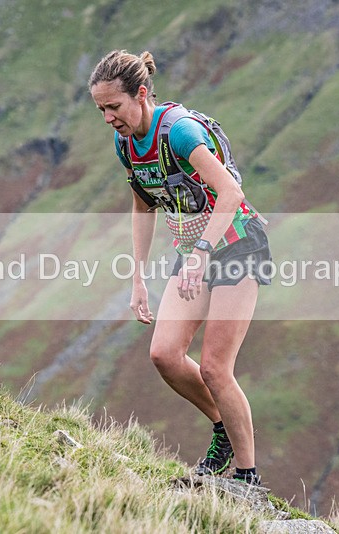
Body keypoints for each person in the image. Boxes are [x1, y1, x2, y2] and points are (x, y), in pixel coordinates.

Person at [88, 49, 271, 486]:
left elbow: (229, 192)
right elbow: (142, 205)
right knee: (164, 355)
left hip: (237, 246)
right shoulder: (125, 142)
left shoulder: (181, 133)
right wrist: (137, 279)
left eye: (114, 106)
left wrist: (203, 251)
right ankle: (222, 427)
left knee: (214, 367)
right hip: (194, 252)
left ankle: (247, 479)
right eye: (100, 110)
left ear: (142, 94)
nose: (108, 118)